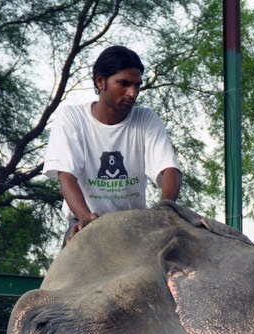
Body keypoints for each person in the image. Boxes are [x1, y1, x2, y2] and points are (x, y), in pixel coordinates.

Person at [44, 45, 182, 243]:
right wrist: (86, 219)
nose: (132, 93)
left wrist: (164, 210)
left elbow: (168, 169)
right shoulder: (72, 117)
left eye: (137, 85)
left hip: (133, 227)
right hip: (85, 224)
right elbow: (66, 175)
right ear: (100, 81)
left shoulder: (146, 119)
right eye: (124, 84)